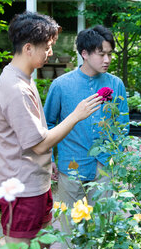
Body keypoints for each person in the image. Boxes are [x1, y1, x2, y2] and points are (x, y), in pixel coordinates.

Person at [0, 12, 102, 249]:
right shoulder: (16, 87)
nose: (50, 52)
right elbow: (39, 144)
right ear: (28, 48)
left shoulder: (22, 78)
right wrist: (76, 114)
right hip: (21, 189)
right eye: (47, 47)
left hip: (33, 184)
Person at [44, 25, 129, 210]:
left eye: (110, 54)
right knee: (69, 225)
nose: (107, 60)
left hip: (105, 165)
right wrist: (49, 158)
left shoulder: (116, 84)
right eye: (101, 54)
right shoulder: (61, 85)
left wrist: (117, 156)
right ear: (85, 53)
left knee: (102, 226)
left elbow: (122, 124)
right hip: (72, 164)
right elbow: (48, 123)